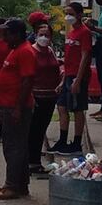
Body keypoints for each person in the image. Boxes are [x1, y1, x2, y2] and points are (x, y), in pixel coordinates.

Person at [0, 18, 35, 200]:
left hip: (15, 107)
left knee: (13, 147)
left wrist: (18, 107)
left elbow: (27, 80)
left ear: (16, 34)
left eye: (7, 32)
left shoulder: (24, 51)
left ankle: (12, 186)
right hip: (8, 105)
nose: (4, 36)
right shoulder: (16, 50)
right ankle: (21, 184)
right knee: (17, 146)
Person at [52, 1, 93, 153]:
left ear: (80, 15)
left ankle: (76, 144)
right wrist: (63, 80)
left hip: (77, 77)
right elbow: (69, 59)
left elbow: (85, 56)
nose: (68, 17)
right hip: (68, 76)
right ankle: (62, 141)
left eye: (71, 14)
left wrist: (78, 79)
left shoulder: (84, 32)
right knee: (62, 107)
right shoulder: (71, 33)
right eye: (67, 13)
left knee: (77, 109)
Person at [27, 21, 62, 174]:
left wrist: (62, 77)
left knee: (41, 130)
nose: (44, 38)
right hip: (36, 97)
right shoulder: (31, 52)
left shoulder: (50, 51)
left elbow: (58, 67)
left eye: (47, 35)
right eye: (41, 35)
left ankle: (35, 162)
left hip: (50, 97)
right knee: (32, 130)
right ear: (35, 35)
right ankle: (30, 162)